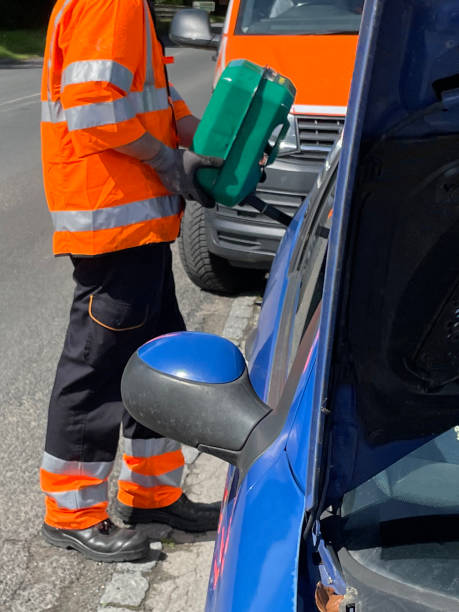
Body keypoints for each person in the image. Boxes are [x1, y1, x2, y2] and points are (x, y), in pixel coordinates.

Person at [39, 0, 222, 563]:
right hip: (112, 218)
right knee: (96, 368)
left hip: (133, 224)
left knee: (155, 360)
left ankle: (152, 497)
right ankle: (71, 514)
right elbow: (94, 111)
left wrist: (201, 141)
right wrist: (171, 162)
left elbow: (155, 101)